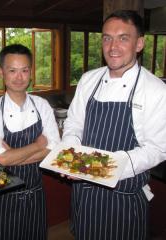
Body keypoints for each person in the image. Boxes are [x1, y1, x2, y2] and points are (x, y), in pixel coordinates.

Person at [62, 10, 166, 240]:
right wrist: (71, 157)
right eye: (107, 38)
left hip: (123, 197)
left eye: (123, 38)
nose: (112, 47)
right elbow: (74, 123)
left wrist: (98, 169)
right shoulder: (89, 79)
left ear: (139, 44)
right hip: (84, 192)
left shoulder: (156, 90)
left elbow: (156, 149)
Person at [0, 44, 60, 240]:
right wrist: (38, 145)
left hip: (36, 194)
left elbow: (54, 149)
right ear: (1, 72)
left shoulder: (42, 105)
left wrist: (12, 155)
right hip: (3, 198)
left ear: (30, 72)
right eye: (12, 70)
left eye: (24, 70)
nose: (19, 77)